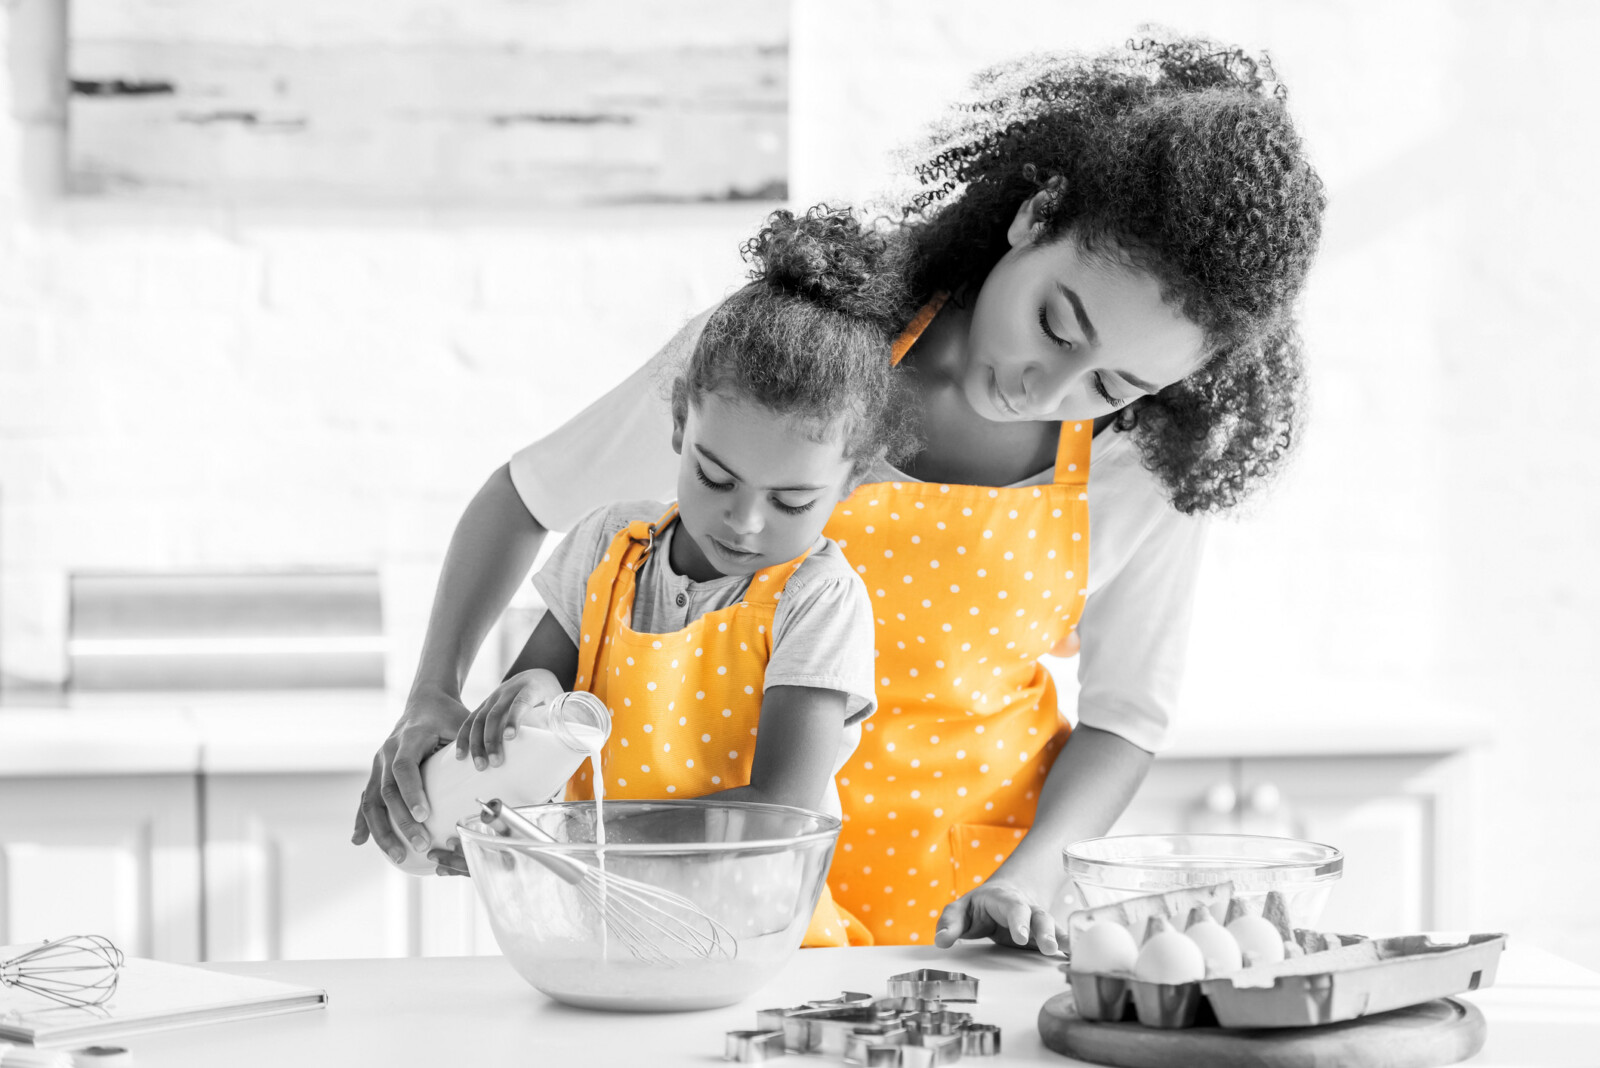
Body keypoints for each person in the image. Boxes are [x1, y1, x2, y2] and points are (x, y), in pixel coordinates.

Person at [353, 35, 1326, 955]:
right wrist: (435, 695)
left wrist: (1027, 880)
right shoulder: (795, 356)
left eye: (1113, 384)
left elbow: (1125, 719)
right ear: (1036, 216)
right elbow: (524, 502)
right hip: (706, 894)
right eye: (1055, 325)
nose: (1048, 388)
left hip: (952, 923)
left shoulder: (1142, 468)